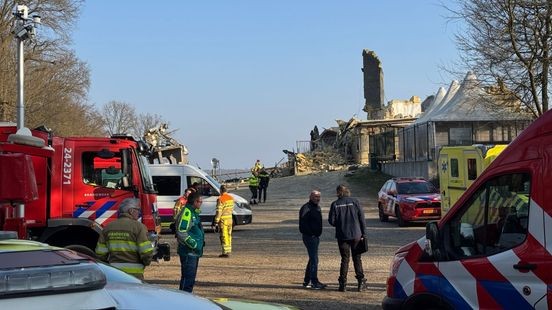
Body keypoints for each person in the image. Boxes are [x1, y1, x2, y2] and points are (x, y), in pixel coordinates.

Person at [95, 198, 153, 280]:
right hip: (134, 276)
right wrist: (146, 263)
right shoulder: (139, 227)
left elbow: (100, 254)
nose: (139, 213)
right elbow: (146, 252)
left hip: (114, 275)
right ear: (131, 211)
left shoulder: (108, 227)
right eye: (137, 210)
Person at [328, 184, 368, 292]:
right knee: (357, 259)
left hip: (342, 235)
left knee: (344, 259)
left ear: (338, 192)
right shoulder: (355, 202)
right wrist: (364, 234)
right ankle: (360, 282)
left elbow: (331, 221)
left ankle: (342, 284)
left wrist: (340, 223)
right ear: (347, 191)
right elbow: (362, 218)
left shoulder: (335, 204)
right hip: (356, 235)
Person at [175, 191, 205, 292]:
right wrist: (194, 244)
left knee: (190, 280)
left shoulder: (193, 212)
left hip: (193, 252)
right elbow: (181, 232)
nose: (201, 204)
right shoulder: (187, 212)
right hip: (189, 252)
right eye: (200, 202)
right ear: (195, 202)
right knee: (187, 281)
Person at [299, 190, 326, 290]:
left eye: (319, 197)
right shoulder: (306, 208)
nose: (317, 198)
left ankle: (307, 280)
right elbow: (303, 224)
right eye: (315, 196)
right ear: (310, 197)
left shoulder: (317, 207)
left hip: (315, 237)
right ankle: (314, 282)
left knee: (312, 258)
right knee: (314, 259)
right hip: (310, 237)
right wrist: (312, 234)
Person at [212, 185, 234, 257]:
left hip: (223, 220)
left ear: (221, 190)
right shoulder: (231, 198)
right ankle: (229, 250)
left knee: (223, 236)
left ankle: (225, 252)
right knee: (229, 235)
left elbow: (219, 211)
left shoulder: (220, 199)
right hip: (230, 219)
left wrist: (216, 221)